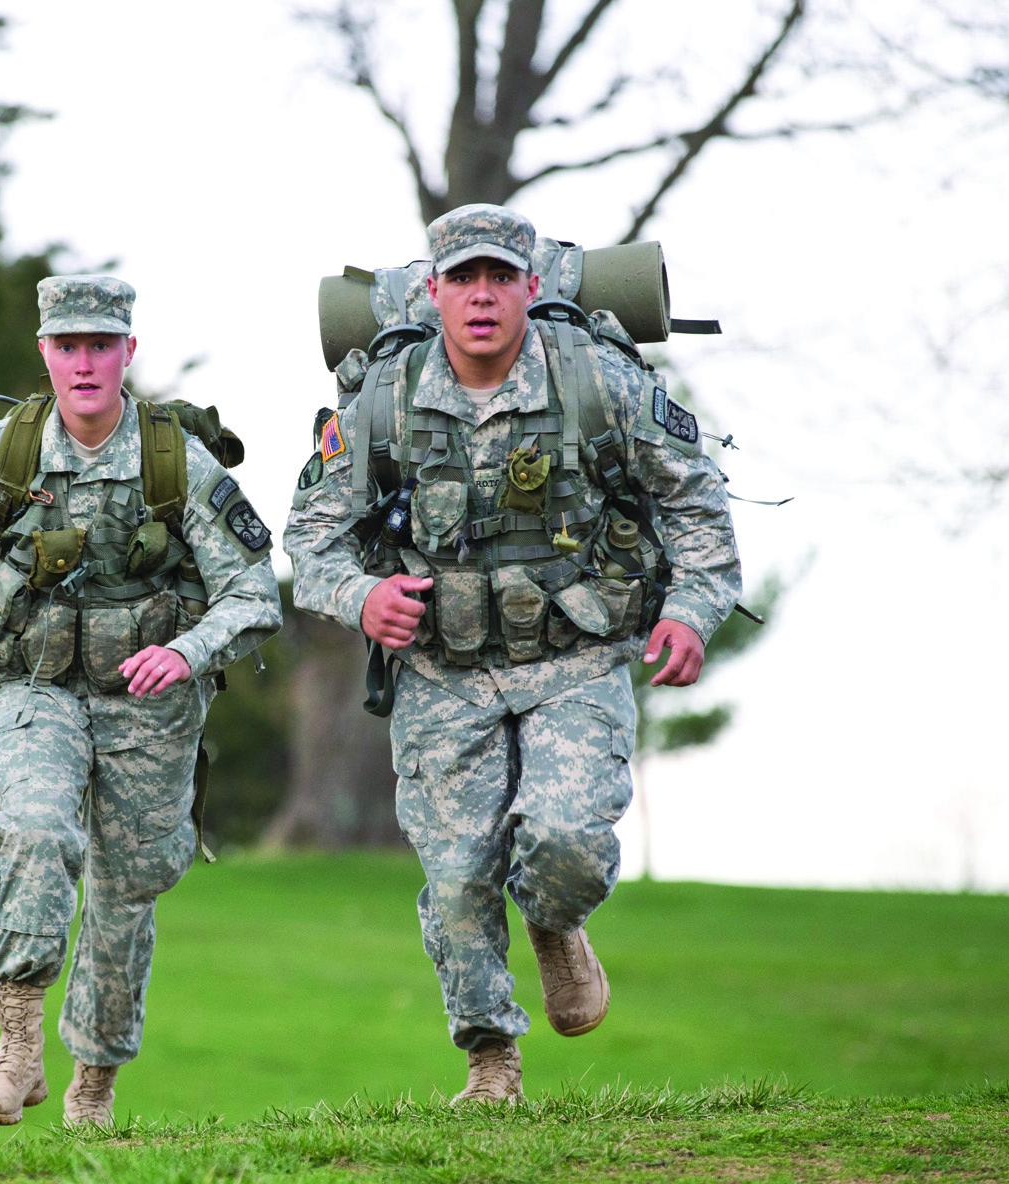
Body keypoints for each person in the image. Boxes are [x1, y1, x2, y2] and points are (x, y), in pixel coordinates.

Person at [284, 205, 741, 1104]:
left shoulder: (597, 383)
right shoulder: (382, 400)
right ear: (434, 291)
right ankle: (491, 1065)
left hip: (576, 659)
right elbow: (311, 538)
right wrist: (361, 597)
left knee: (565, 842)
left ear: (533, 287)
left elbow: (696, 503)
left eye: (500, 278)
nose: (482, 296)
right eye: (463, 280)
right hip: (443, 674)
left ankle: (557, 923)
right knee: (457, 882)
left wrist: (689, 612)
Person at [0, 275, 283, 1127]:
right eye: (67, 345)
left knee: (128, 891)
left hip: (149, 708)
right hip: (30, 689)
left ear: (128, 350)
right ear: (43, 353)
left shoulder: (175, 462)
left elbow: (254, 594)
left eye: (101, 345)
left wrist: (186, 652)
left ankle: (94, 1087)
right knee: (38, 830)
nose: (85, 363)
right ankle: (16, 1054)